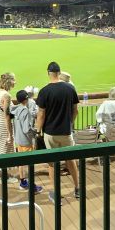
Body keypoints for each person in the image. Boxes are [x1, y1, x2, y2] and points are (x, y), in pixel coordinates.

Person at [35, 61, 80, 204]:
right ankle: (77, 188)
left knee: (52, 164)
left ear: (48, 73)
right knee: (71, 160)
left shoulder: (44, 91)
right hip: (66, 132)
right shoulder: (70, 88)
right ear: (59, 73)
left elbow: (41, 115)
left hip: (50, 133)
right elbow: (75, 111)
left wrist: (38, 131)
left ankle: (56, 193)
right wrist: (69, 123)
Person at [11, 90, 43, 193]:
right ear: (26, 99)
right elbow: (26, 130)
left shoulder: (15, 109)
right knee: (30, 164)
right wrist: (35, 132)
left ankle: (23, 183)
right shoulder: (26, 111)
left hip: (18, 140)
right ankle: (32, 187)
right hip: (26, 141)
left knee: (21, 162)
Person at [0, 72, 18, 182]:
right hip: (4, 125)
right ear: (9, 81)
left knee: (2, 149)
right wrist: (9, 134)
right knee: (6, 150)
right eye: (13, 80)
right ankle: (4, 177)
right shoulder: (6, 95)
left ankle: (4, 175)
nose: (15, 82)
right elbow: (7, 116)